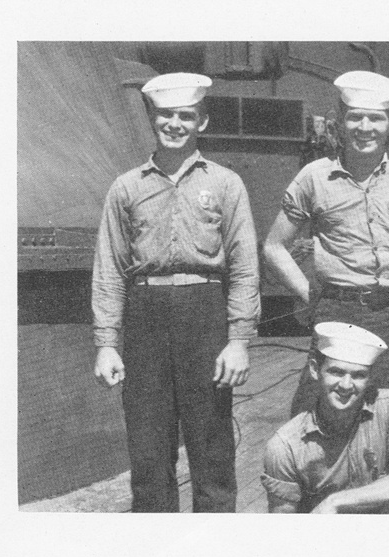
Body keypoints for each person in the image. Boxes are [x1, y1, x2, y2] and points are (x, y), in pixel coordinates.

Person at [92, 73, 260, 513]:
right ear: (152, 118)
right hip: (145, 315)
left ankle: (213, 545)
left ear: (202, 121)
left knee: (212, 444)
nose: (175, 124)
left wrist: (239, 341)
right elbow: (110, 270)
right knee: (148, 448)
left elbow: (245, 267)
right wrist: (106, 344)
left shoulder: (225, 184)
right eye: (166, 114)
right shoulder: (126, 187)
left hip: (204, 313)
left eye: (186, 115)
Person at [262, 71, 389, 432]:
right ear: (340, 121)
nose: (365, 128)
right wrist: (310, 295)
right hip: (336, 313)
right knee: (312, 420)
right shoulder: (314, 178)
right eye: (355, 117)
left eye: (375, 118)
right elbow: (274, 246)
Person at [261, 322, 389, 514]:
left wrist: (335, 501)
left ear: (371, 378)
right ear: (314, 369)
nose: (346, 385)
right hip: (324, 530)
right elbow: (283, 523)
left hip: (383, 527)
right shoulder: (285, 446)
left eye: (358, 375)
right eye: (337, 372)